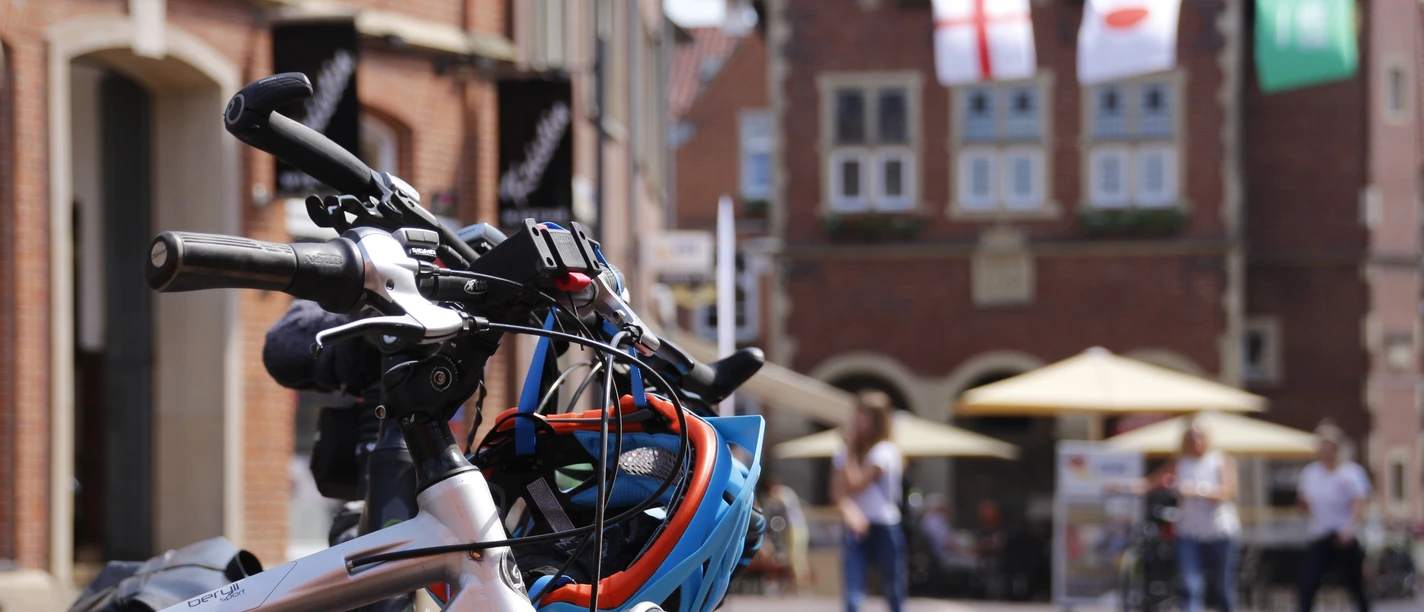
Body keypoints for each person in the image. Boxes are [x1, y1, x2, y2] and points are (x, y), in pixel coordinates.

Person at [1118, 419, 1241, 612]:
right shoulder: (1180, 463)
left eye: (1199, 436)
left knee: (1223, 587)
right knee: (1190, 586)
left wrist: (1196, 490)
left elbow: (1228, 493)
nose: (1195, 441)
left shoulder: (1220, 460)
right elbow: (1149, 484)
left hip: (1220, 532)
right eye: (1191, 437)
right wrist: (1121, 486)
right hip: (1189, 533)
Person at [831, 390, 906, 612]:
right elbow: (836, 490)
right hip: (857, 528)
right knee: (853, 595)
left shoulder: (885, 451)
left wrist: (849, 449)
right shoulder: (846, 451)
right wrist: (849, 512)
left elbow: (855, 483)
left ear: (877, 420)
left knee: (893, 590)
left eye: (863, 416)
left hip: (884, 525)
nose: (857, 421)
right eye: (857, 414)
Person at [1296, 423, 1372, 612]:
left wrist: (1349, 529)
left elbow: (1359, 504)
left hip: (1344, 537)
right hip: (1319, 535)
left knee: (1356, 586)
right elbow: (1304, 504)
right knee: (1308, 585)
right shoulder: (1310, 474)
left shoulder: (1351, 473)